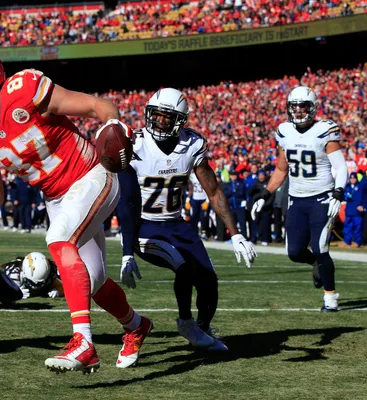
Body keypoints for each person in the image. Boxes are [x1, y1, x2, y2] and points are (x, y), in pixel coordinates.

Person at [0, 44, 151, 372]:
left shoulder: (24, 89)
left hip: (91, 172)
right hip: (56, 198)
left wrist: (114, 125)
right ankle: (136, 325)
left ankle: (83, 343)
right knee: (90, 283)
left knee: (58, 239)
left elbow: (97, 105)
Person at [118, 88, 257, 352]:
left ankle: (202, 330)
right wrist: (126, 248)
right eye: (156, 115)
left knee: (209, 281)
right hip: (144, 225)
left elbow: (213, 191)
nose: (159, 121)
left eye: (166, 117)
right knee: (184, 267)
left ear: (179, 120)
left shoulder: (191, 144)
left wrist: (236, 234)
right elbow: (123, 198)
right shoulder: (134, 143)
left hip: (176, 223)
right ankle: (185, 322)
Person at [252, 86, 348, 312]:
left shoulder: (325, 130)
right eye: (294, 106)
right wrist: (266, 193)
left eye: (302, 106)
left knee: (321, 247)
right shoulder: (285, 131)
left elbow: (340, 167)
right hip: (296, 199)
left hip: (322, 197)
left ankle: (330, 298)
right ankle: (314, 262)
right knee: (294, 252)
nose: (297, 111)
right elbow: (281, 169)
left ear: (312, 108)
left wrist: (338, 193)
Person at [0, 252, 64, 299]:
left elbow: (68, 285)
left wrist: (58, 290)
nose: (37, 287)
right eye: (32, 282)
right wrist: (14, 293)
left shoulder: (52, 270)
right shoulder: (13, 274)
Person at [341, 172, 365, 247]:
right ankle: (347, 241)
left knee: (357, 227)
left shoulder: (360, 187)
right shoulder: (347, 187)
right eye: (351, 178)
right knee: (347, 227)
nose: (352, 179)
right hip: (349, 211)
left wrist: (363, 206)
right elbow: (343, 197)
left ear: (356, 179)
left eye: (354, 178)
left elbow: (364, 198)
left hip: (357, 211)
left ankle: (357, 242)